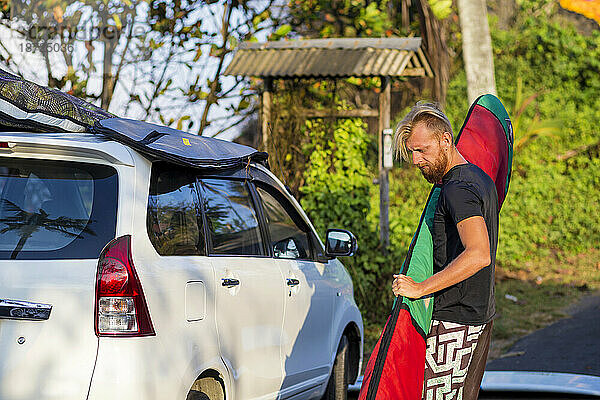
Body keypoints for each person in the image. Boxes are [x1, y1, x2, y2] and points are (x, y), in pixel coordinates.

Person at [391, 102, 499, 400]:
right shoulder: (480, 178)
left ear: (445, 140)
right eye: (412, 151)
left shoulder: (457, 189)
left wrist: (420, 288)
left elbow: (479, 254)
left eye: (422, 150)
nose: (415, 160)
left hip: (456, 320)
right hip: (479, 315)